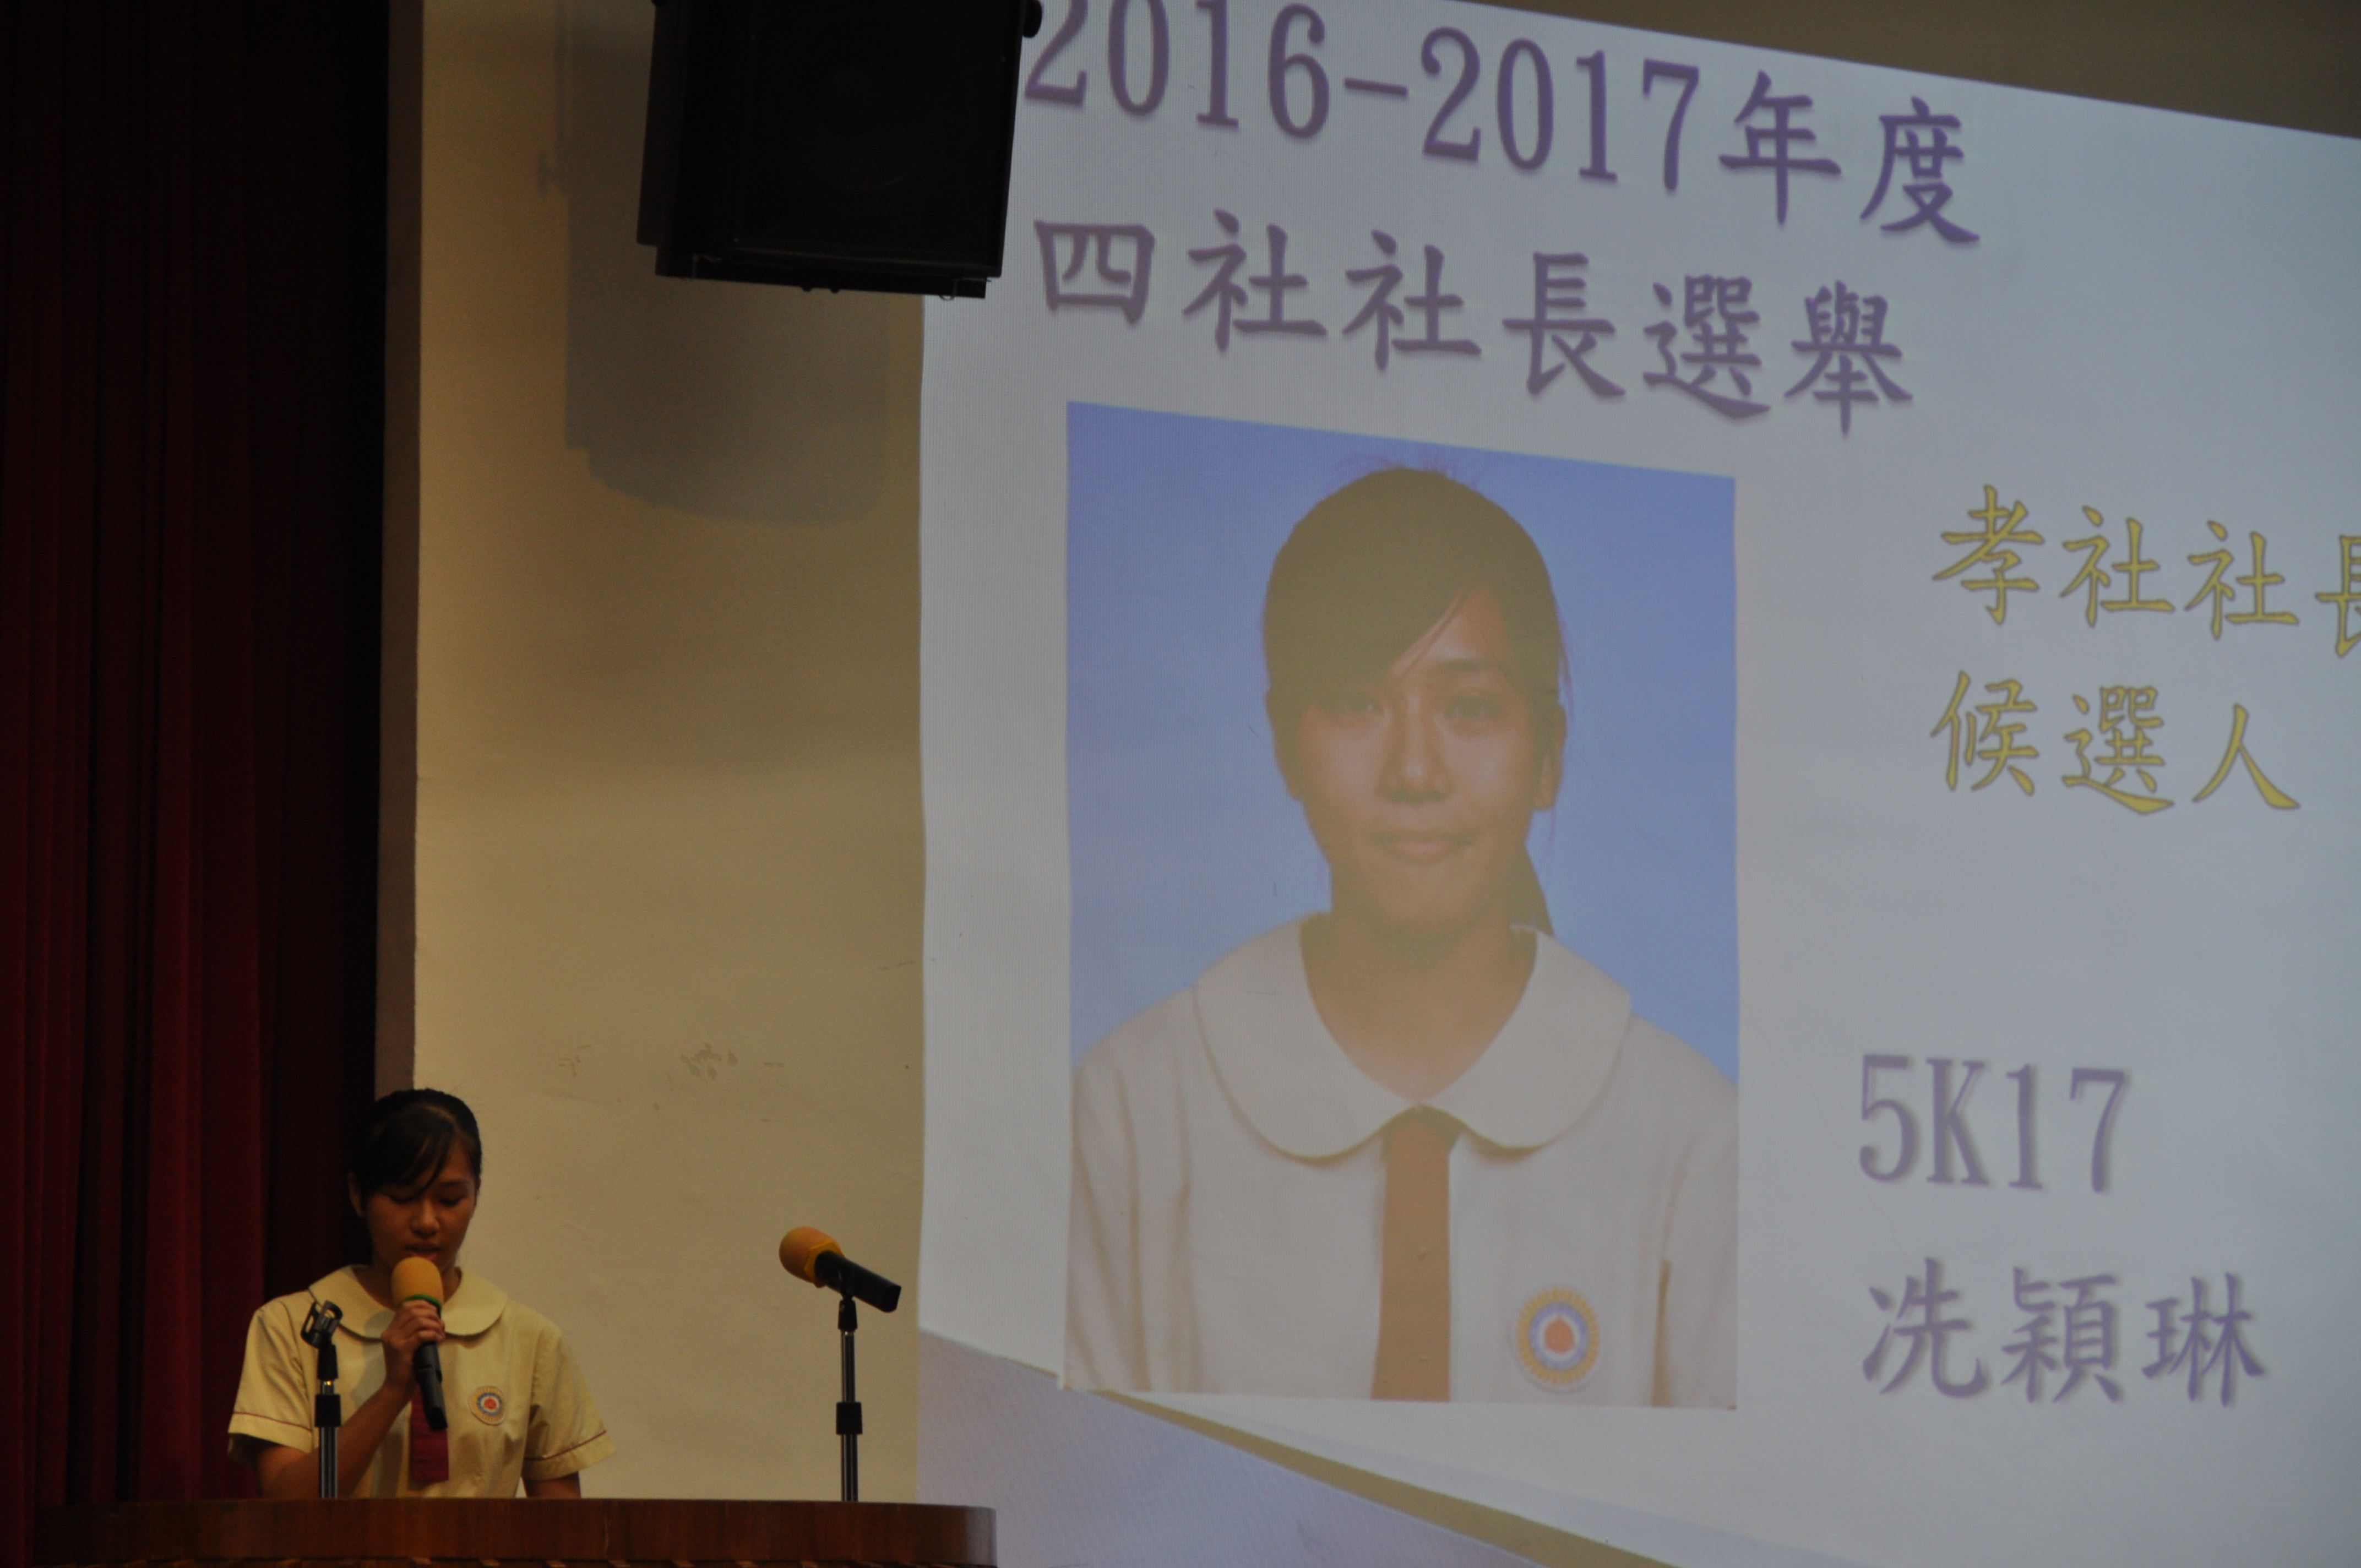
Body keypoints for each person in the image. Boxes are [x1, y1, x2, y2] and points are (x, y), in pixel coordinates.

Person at [1064, 468, 1736, 1406]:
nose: (1414, 770)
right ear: (1282, 744)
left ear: (1548, 752)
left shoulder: (1691, 1137)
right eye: (1356, 702)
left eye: (1470, 708)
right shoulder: (1135, 1107)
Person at [228, 1089, 614, 1496]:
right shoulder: (293, 1327)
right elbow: (286, 1505)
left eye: (450, 1199)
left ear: (476, 1194)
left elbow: (561, 1524)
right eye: (403, 1198)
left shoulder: (529, 1338)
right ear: (358, 1194)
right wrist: (392, 1392)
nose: (427, 1222)